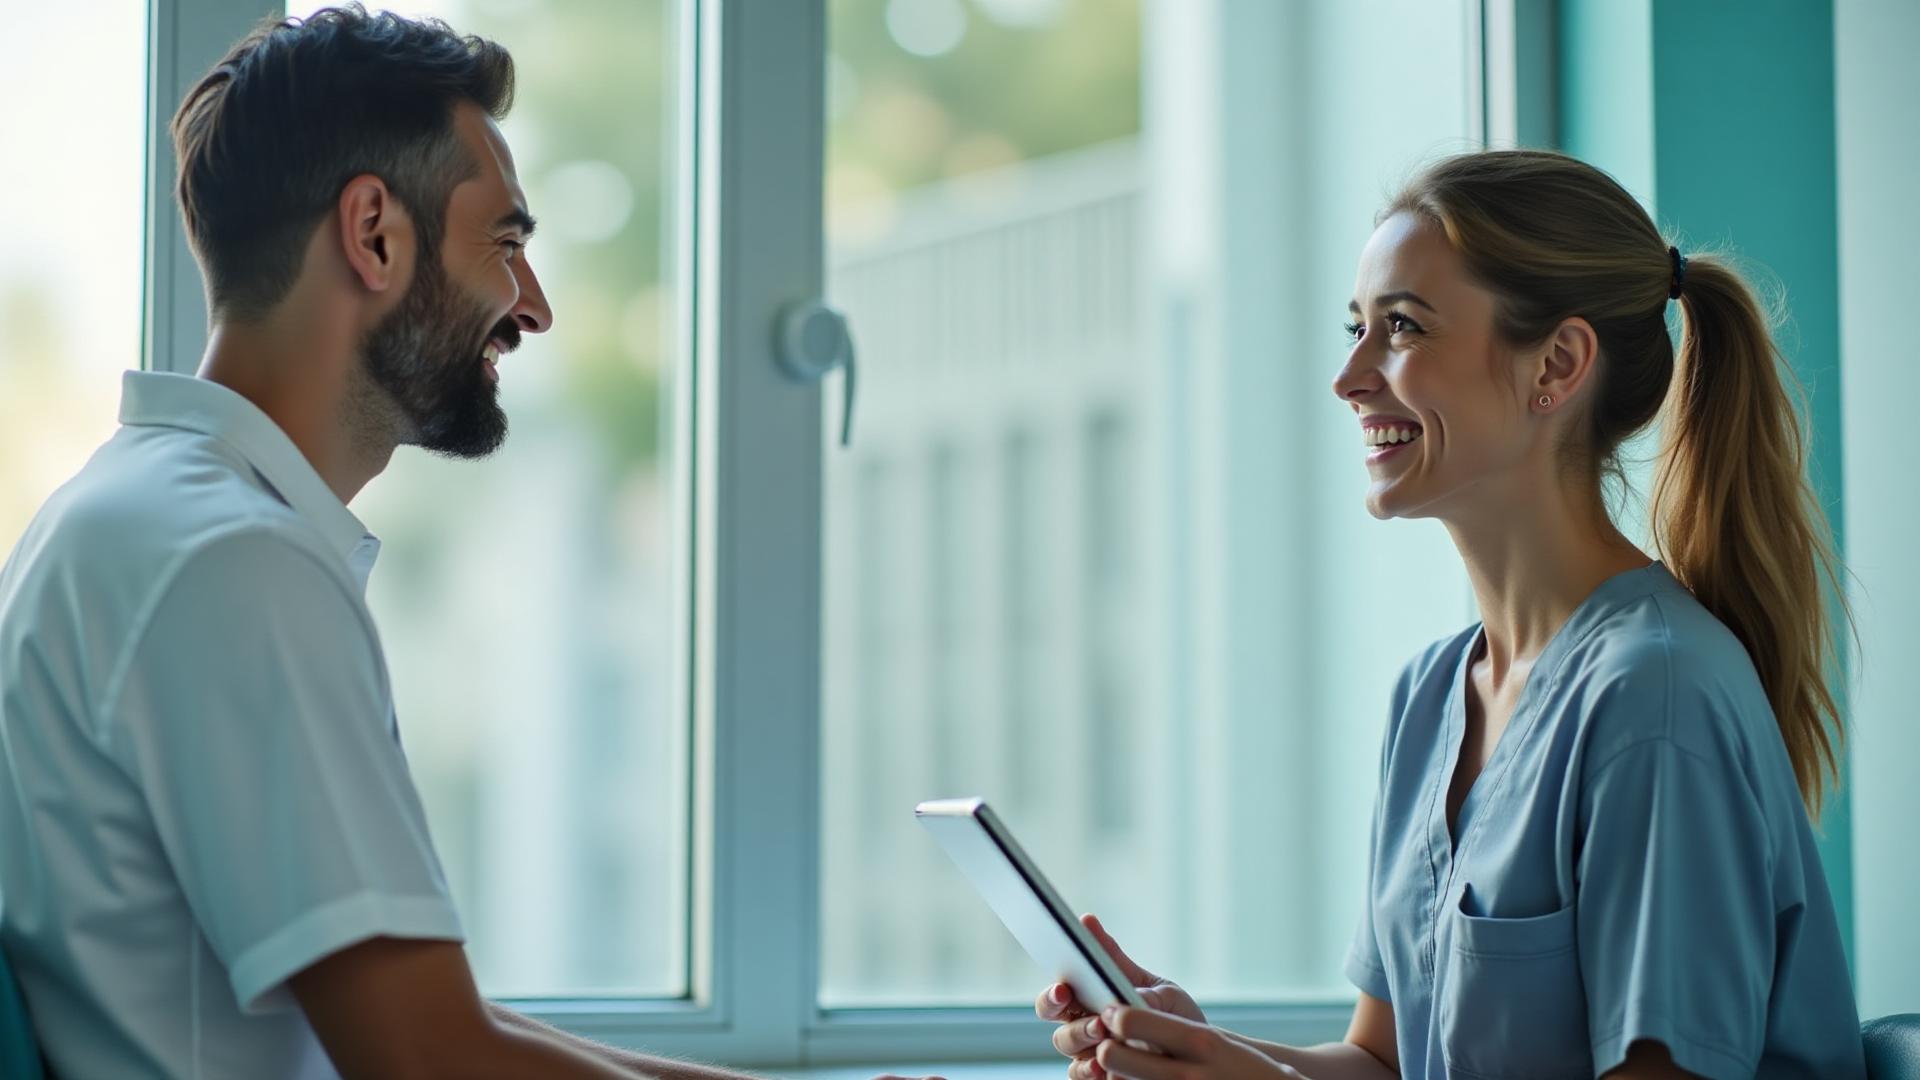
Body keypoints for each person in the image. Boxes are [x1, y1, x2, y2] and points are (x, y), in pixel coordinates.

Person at [0, 7, 937, 1079]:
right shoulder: (233, 563)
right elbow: (433, 1060)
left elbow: (437, 1024)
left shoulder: (131, 514)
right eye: (506, 244)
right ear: (374, 234)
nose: (533, 308)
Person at [1035, 150, 1866, 1079]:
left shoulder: (1654, 698)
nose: (1349, 376)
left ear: (1557, 363)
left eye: (1402, 327)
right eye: (1356, 327)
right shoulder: (1430, 695)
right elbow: (1384, 1063)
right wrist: (1199, 1049)